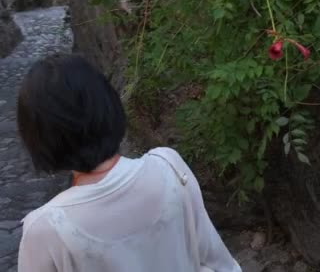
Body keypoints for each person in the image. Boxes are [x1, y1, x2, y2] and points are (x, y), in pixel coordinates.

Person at [16, 54, 241, 272]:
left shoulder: (44, 229)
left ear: (39, 136)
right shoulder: (168, 167)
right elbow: (220, 263)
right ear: (108, 104)